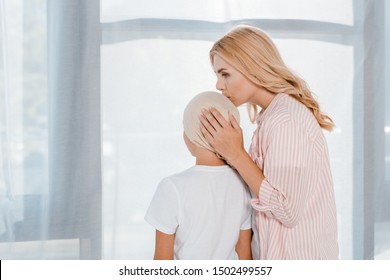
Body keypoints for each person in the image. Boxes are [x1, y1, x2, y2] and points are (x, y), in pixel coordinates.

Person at [199, 25, 339, 259]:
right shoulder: (272, 117)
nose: (218, 85)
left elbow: (287, 210)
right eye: (217, 75)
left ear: (251, 67)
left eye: (225, 74)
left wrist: (236, 154)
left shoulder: (285, 121)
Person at [145, 91, 253, 260]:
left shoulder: (172, 187)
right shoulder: (244, 184)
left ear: (192, 135)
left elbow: (162, 261)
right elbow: (244, 252)